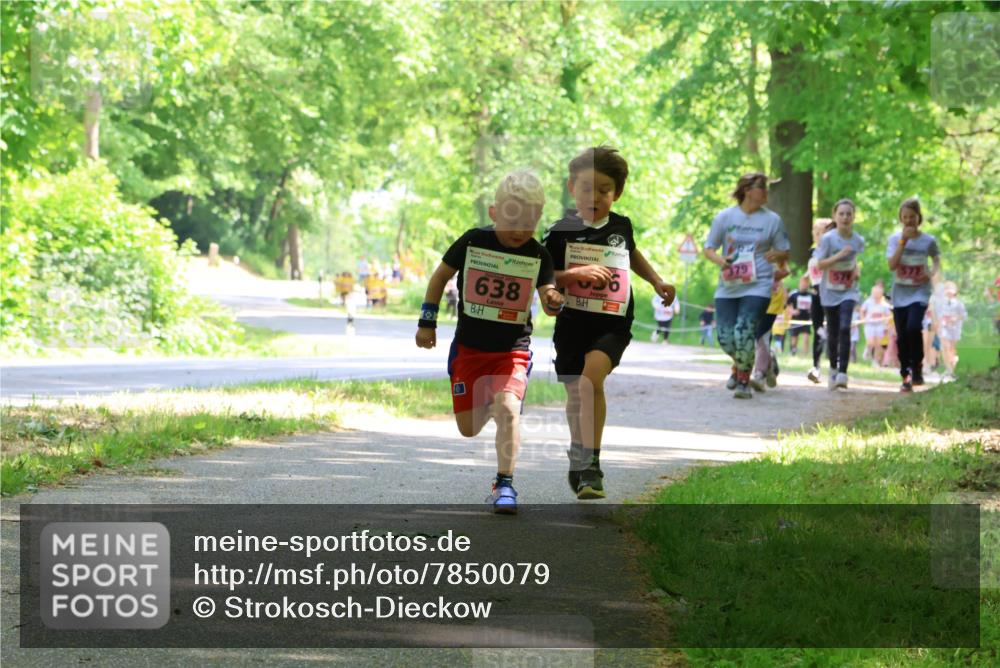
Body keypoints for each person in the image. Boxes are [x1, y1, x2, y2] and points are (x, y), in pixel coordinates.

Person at [415, 170, 563, 513]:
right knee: (468, 429)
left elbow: (548, 296)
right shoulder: (472, 241)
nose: (518, 230)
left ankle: (504, 484)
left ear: (538, 218)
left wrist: (554, 300)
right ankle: (495, 403)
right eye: (511, 219)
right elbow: (440, 277)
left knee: (509, 409)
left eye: (527, 222)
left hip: (511, 351)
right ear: (495, 212)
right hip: (469, 348)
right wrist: (427, 321)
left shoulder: (540, 256)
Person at [543, 146, 675, 500]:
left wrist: (656, 280)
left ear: (617, 193)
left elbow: (631, 255)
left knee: (590, 380)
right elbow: (544, 276)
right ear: (573, 189)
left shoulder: (621, 226)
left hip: (612, 322)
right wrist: (574, 275)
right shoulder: (559, 231)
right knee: (576, 390)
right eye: (586, 188)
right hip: (572, 322)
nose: (595, 196)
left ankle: (591, 465)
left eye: (604, 190)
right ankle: (578, 447)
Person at [703, 171, 790, 399]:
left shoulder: (772, 220)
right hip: (729, 284)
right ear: (748, 190)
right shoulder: (725, 217)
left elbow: (785, 249)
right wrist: (720, 260)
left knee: (744, 332)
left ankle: (743, 381)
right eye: (763, 188)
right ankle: (739, 366)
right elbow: (709, 248)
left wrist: (778, 255)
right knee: (725, 337)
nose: (766, 193)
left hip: (759, 284)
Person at [887, 197, 941, 392]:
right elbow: (892, 265)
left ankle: (916, 367)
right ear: (901, 218)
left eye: (912, 217)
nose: (909, 220)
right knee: (901, 336)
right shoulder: (894, 239)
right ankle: (905, 374)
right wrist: (903, 241)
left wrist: (931, 272)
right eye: (905, 217)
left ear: (919, 218)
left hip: (919, 292)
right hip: (900, 292)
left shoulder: (928, 240)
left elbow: (936, 259)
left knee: (913, 327)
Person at [814, 199, 864, 389]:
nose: (845, 217)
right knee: (833, 331)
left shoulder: (858, 240)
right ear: (835, 216)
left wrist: (856, 271)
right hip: (829, 290)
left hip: (848, 291)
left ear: (853, 217)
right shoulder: (828, 239)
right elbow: (820, 264)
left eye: (848, 214)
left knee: (845, 327)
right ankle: (833, 369)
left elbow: (855, 261)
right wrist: (839, 256)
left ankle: (843, 372)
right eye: (841, 214)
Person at [750, 261, 790, 391]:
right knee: (755, 338)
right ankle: (771, 366)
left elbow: (786, 271)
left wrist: (769, 276)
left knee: (761, 337)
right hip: (751, 299)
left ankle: (759, 374)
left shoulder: (776, 250)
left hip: (771, 302)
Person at [805, 218, 836, 382]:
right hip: (815, 294)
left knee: (831, 331)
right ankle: (816, 367)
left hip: (830, 294)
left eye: (821, 232)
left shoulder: (831, 251)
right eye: (815, 232)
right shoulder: (812, 252)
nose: (817, 236)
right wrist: (805, 277)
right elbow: (812, 270)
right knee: (817, 330)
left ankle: (834, 367)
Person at [937, 281, 967, 380]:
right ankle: (948, 369)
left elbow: (964, 316)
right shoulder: (941, 303)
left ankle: (952, 368)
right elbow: (937, 314)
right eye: (947, 290)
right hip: (944, 328)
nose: (949, 292)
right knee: (945, 346)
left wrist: (956, 318)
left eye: (951, 290)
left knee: (952, 349)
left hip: (955, 329)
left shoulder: (959, 303)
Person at [860, 281, 892, 366]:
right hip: (870, 324)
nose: (876, 295)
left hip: (880, 325)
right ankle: (868, 348)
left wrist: (887, 325)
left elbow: (888, 316)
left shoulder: (885, 304)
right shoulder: (868, 302)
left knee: (878, 344)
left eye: (878, 293)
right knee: (871, 342)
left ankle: (875, 361)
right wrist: (863, 320)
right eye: (875, 293)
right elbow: (862, 311)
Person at [785, 275, 813, 358]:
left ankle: (805, 355)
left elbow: (814, 306)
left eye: (806, 283)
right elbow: (787, 305)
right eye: (803, 282)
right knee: (794, 339)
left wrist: (812, 311)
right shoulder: (794, 294)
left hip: (807, 321)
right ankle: (793, 352)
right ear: (799, 283)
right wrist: (792, 311)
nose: (804, 284)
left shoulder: (811, 295)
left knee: (806, 338)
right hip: (795, 320)